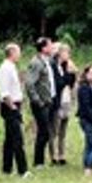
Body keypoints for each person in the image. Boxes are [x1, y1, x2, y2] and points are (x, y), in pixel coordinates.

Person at [0, 42, 30, 176]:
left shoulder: (12, 67)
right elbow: (4, 91)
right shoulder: (5, 68)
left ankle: (7, 168)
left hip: (15, 104)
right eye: (18, 52)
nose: (20, 55)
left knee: (10, 139)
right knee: (17, 138)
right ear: (12, 53)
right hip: (10, 106)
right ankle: (23, 170)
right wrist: (13, 107)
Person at [26, 38, 60, 169]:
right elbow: (29, 83)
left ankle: (40, 161)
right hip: (41, 103)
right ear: (44, 48)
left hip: (49, 100)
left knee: (47, 132)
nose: (52, 47)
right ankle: (38, 162)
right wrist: (37, 101)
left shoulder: (48, 61)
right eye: (50, 45)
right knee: (43, 131)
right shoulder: (36, 63)